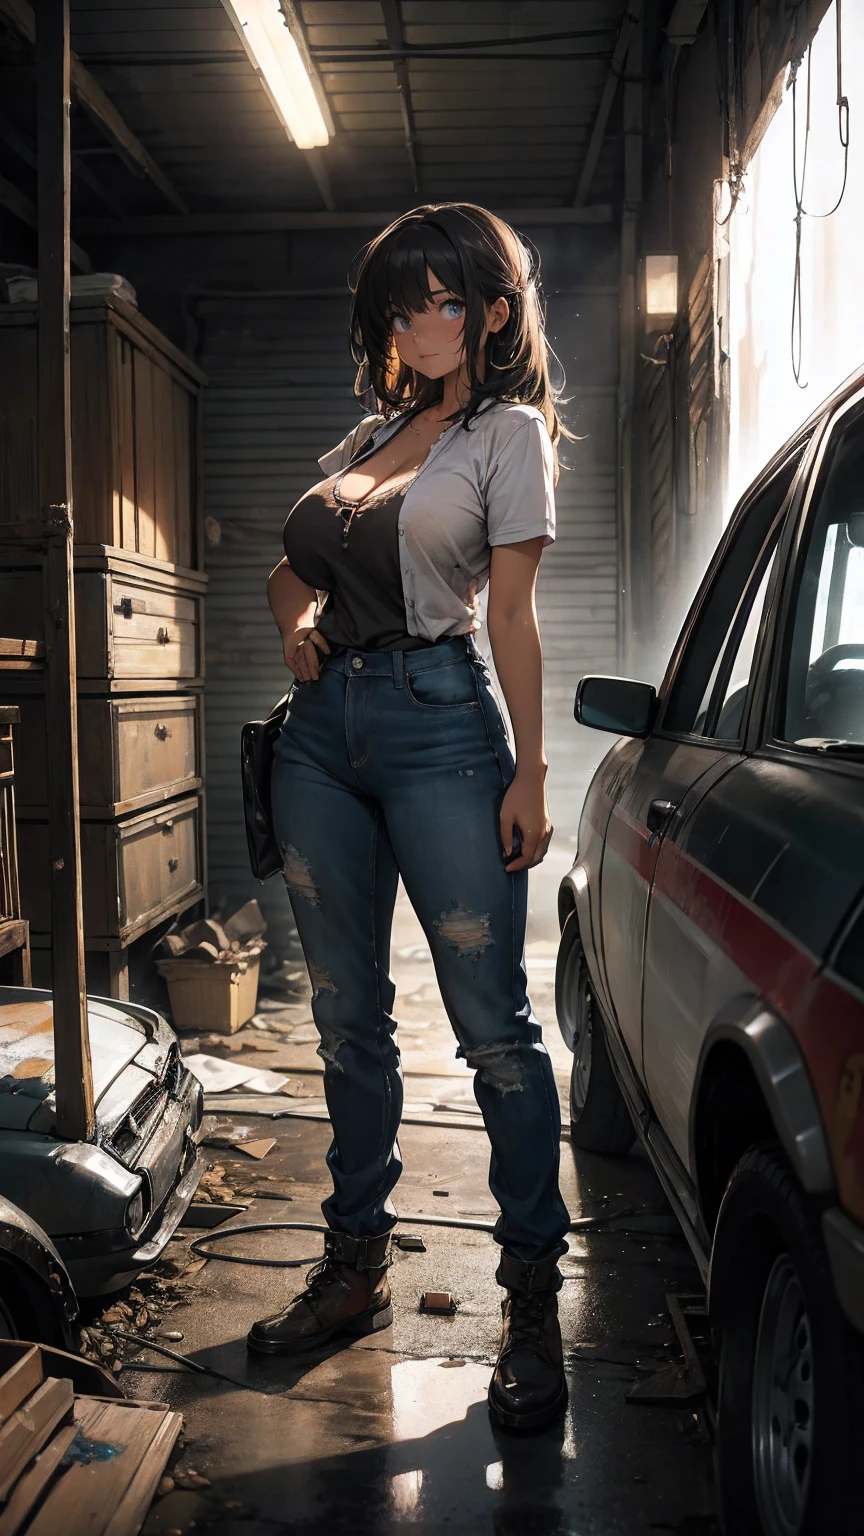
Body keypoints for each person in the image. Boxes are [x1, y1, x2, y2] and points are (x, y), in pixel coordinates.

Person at [247, 202, 572, 1433]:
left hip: (443, 725)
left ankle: (531, 1302)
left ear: (492, 309)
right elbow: (294, 563)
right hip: (322, 737)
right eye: (399, 301)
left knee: (493, 1029)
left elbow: (511, 616)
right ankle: (353, 1270)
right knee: (344, 1022)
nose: (415, 319)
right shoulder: (376, 428)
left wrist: (530, 772)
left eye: (439, 297)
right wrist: (296, 624)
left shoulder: (510, 435)